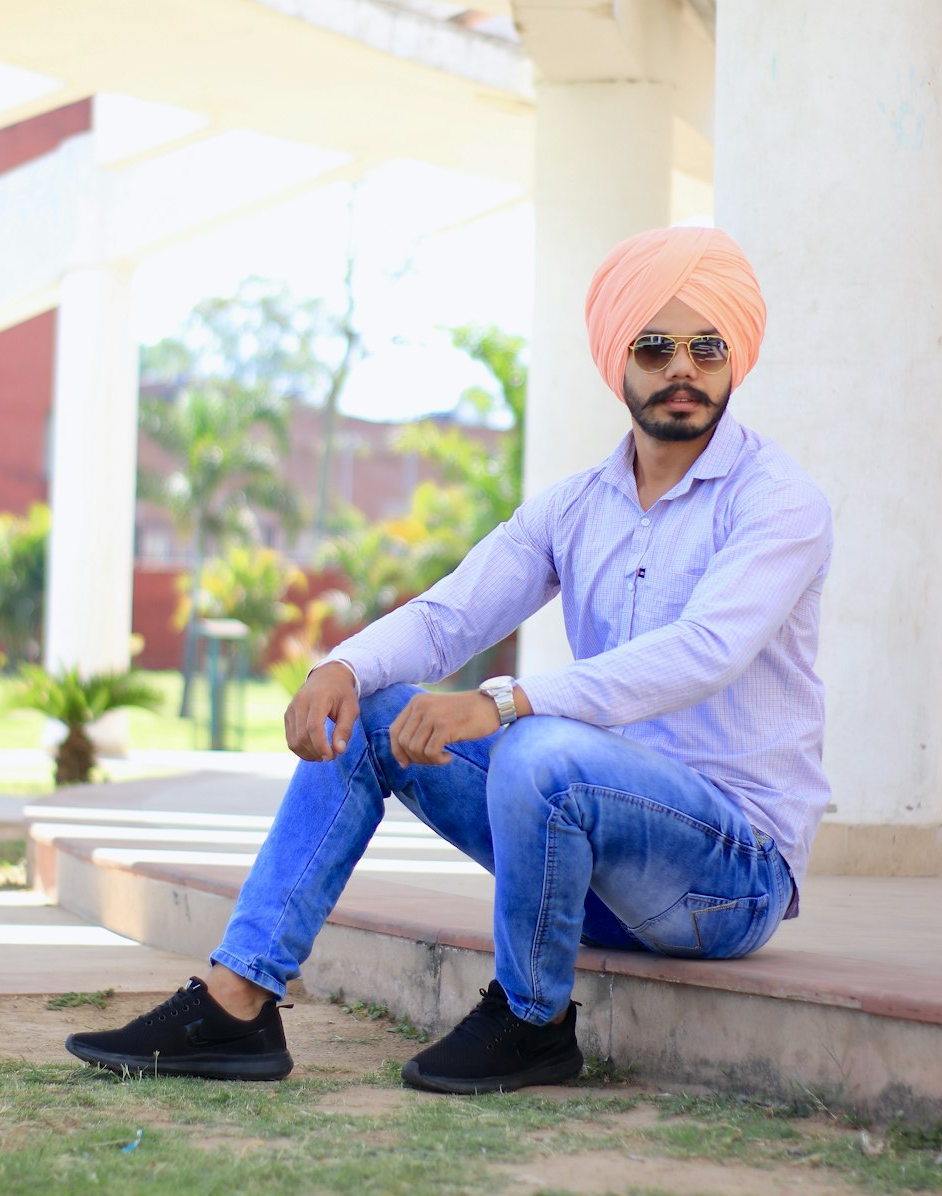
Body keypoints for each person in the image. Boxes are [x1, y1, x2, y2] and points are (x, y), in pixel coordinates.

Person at [66, 225, 833, 1095]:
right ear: (618, 359)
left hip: (727, 882)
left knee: (545, 750)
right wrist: (343, 668)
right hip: (593, 875)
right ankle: (237, 1000)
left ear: (737, 357)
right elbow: (452, 614)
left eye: (707, 346)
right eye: (655, 347)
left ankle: (531, 1021)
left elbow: (706, 650)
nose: (682, 368)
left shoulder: (780, 503)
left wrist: (505, 702)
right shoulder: (576, 507)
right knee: (375, 713)